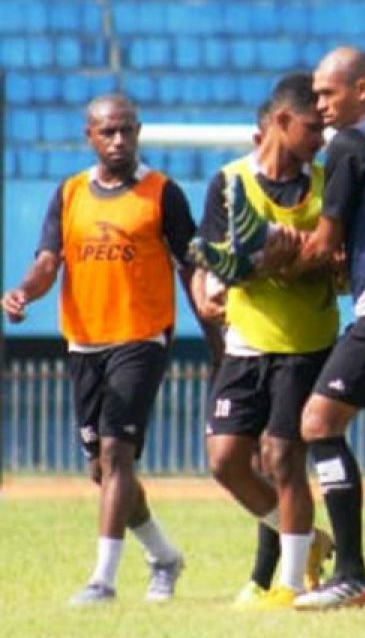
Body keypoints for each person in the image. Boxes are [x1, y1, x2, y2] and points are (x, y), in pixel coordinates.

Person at [217, 47, 365, 610]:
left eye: (328, 94)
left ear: (362, 88)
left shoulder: (353, 143)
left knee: (318, 422)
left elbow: (327, 244)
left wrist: (261, 266)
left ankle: (351, 572)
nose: (320, 105)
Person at [2, 93, 196, 605]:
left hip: (141, 336)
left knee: (116, 451)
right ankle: (164, 556)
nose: (118, 140)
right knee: (103, 469)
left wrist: (216, 330)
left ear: (138, 132)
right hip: (84, 341)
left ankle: (103, 580)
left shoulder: (163, 194)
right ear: (89, 135)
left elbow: (191, 267)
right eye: (107, 132)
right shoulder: (68, 195)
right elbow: (48, 262)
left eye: (127, 130)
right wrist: (24, 291)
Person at [189, 72, 337, 609]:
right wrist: (207, 290)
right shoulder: (229, 182)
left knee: (283, 456)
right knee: (226, 460)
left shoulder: (325, 185)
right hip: (246, 340)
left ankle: (292, 584)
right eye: (313, 127)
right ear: (280, 121)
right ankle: (310, 539)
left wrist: (311, 263)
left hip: (306, 341)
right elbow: (207, 257)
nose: (321, 138)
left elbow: (341, 262)